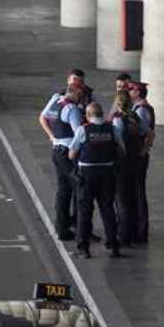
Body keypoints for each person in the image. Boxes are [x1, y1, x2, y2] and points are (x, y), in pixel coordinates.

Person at [69, 101, 125, 258]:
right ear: (101, 114)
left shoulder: (83, 130)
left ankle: (83, 248)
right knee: (107, 209)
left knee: (84, 211)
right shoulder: (112, 129)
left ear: (88, 115)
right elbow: (122, 150)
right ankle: (113, 246)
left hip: (86, 173)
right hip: (107, 172)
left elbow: (71, 154)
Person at [39, 86, 85, 240]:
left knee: (63, 190)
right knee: (80, 188)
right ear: (76, 93)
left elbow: (43, 116)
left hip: (57, 151)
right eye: (81, 95)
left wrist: (52, 136)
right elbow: (79, 134)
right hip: (68, 154)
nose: (82, 99)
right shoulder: (72, 109)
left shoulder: (55, 101)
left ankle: (62, 228)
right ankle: (81, 228)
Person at [110, 90, 149, 247]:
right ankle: (134, 233)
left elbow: (119, 142)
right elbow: (148, 133)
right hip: (136, 161)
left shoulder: (118, 120)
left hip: (122, 164)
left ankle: (123, 235)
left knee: (122, 199)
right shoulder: (135, 117)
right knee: (135, 196)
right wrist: (143, 150)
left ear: (118, 103)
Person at [128, 82, 156, 244]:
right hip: (138, 155)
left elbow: (149, 134)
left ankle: (140, 231)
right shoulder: (138, 108)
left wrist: (143, 151)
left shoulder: (142, 110)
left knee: (138, 192)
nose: (128, 92)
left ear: (138, 92)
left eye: (130, 89)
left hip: (138, 156)